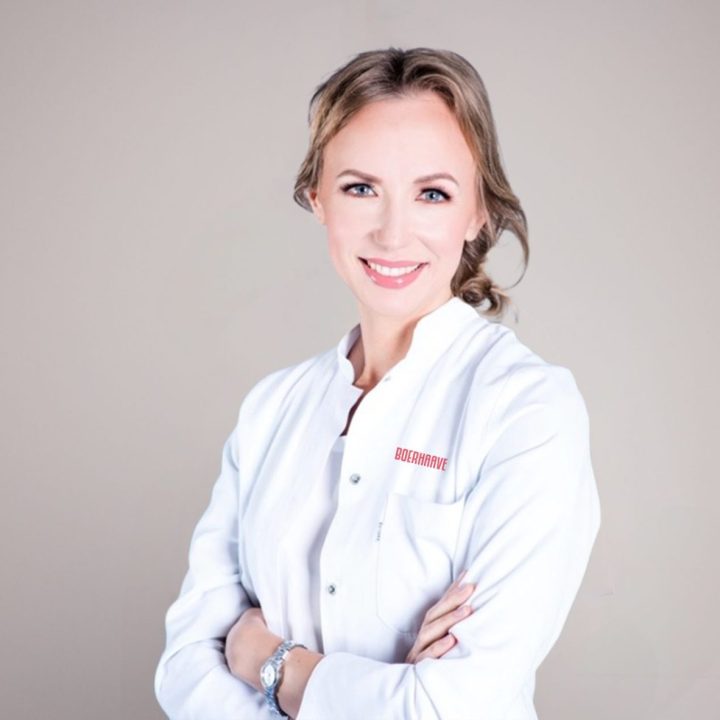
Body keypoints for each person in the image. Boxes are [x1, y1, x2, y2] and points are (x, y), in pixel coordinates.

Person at [154, 46, 601, 720]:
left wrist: (271, 663)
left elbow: (453, 705)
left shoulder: (528, 410)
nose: (393, 234)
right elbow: (186, 669)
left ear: (478, 211)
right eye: (360, 188)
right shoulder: (271, 409)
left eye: (432, 193)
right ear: (317, 198)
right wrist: (381, 691)